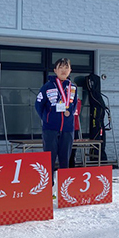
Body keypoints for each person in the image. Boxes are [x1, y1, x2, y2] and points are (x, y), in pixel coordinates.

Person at [35, 58, 77, 189]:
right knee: (49, 159)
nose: (63, 70)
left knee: (65, 159)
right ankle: (48, 188)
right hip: (50, 129)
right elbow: (38, 105)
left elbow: (74, 106)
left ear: (70, 70)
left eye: (66, 67)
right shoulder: (47, 87)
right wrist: (47, 118)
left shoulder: (73, 87)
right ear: (55, 70)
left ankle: (64, 189)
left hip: (67, 129)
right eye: (60, 67)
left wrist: (69, 116)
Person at [69, 98, 82, 168]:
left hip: (74, 127)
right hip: (65, 128)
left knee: (73, 150)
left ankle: (71, 166)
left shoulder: (77, 101)